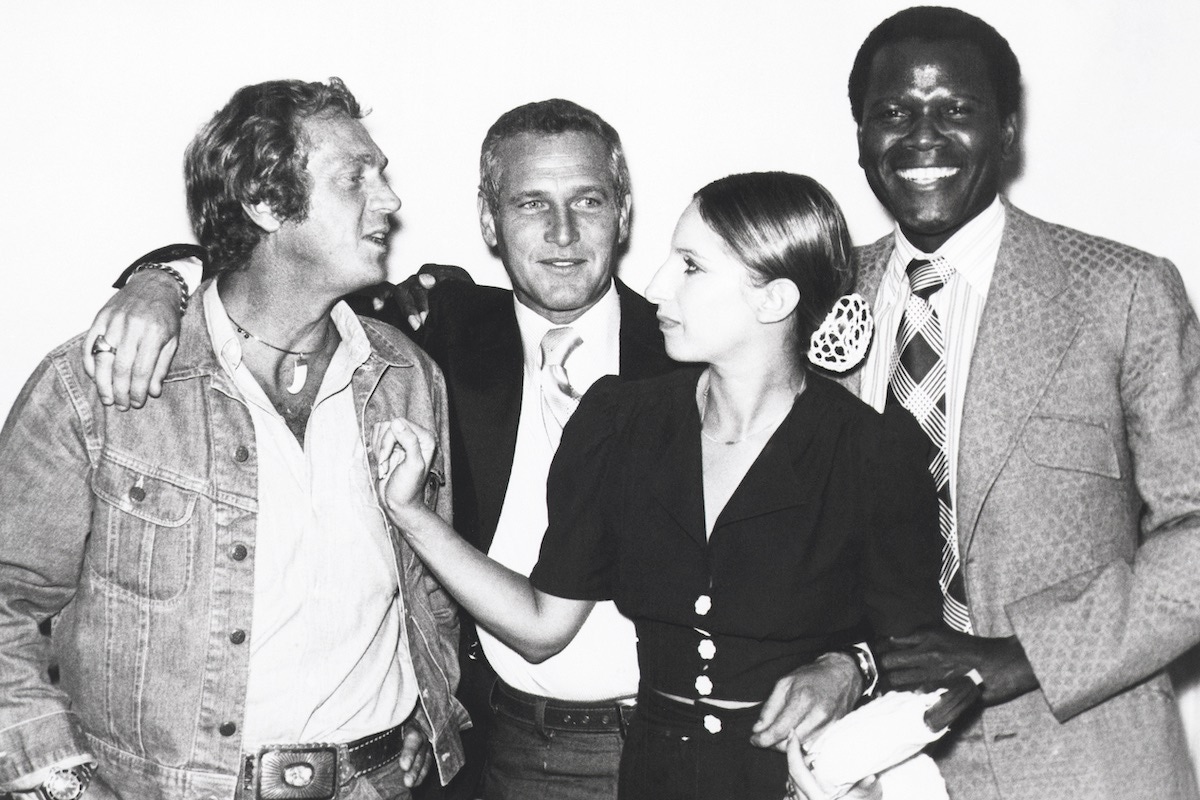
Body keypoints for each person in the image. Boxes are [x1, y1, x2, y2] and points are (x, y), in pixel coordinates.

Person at [76, 102, 876, 800]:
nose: (562, 235)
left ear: (624, 213)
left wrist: (848, 662)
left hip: (698, 752)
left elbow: (847, 555)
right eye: (531, 204)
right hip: (499, 753)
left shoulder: (703, 345)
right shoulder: (432, 337)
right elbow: (269, 267)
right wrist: (161, 280)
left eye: (588, 201)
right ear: (489, 220)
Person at [369, 171, 944, 800]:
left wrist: (851, 667)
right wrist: (412, 513)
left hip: (802, 782)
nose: (654, 286)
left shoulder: (873, 451)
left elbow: (916, 652)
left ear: (774, 300)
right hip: (651, 779)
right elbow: (540, 627)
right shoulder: (621, 421)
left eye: (691, 266)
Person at [0, 78, 467, 800]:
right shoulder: (98, 386)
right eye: (356, 178)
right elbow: (7, 606)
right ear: (267, 200)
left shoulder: (406, 376)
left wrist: (427, 707)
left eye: (383, 175)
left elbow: (429, 589)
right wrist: (59, 783)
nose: (389, 200)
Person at [842, 7, 1200, 799]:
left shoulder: (1124, 292)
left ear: (1007, 134)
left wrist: (1023, 655)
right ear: (861, 135)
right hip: (865, 766)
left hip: (1086, 765)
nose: (921, 137)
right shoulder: (816, 299)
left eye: (956, 111)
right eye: (893, 112)